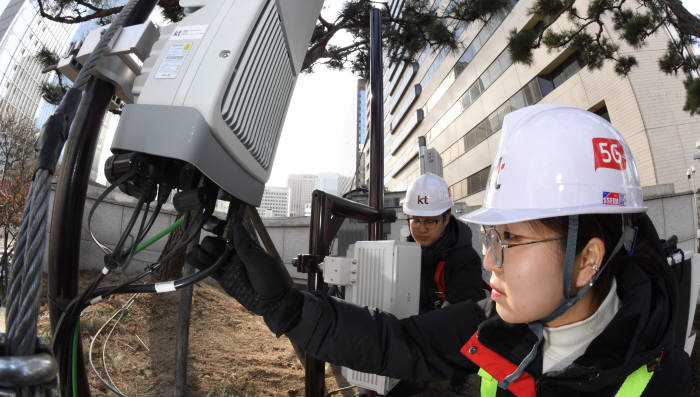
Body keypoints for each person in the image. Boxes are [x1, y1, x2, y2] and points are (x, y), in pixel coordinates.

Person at [189, 103, 691, 396]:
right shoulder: (495, 327)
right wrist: (288, 309)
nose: (491, 258)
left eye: (511, 239)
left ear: (588, 258)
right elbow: (393, 342)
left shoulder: (670, 384)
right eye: (493, 237)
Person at [403, 172, 485, 313]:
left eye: (430, 221)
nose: (422, 228)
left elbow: (460, 318)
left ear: (446, 219)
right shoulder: (404, 254)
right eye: (416, 220)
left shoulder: (465, 261)